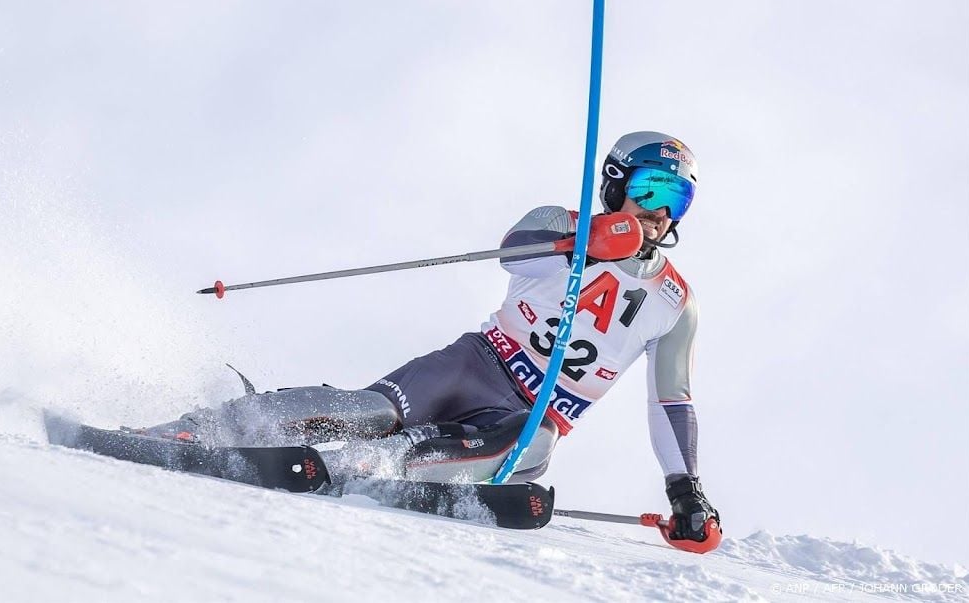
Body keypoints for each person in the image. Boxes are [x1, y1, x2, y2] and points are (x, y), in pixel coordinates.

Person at [141, 130, 720, 546]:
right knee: (368, 411)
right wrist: (591, 241)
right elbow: (512, 251)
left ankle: (365, 469)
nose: (659, 214)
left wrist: (684, 490)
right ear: (615, 185)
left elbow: (672, 401)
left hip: (532, 414)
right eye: (649, 192)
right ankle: (207, 425)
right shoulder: (563, 224)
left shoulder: (675, 303)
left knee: (532, 447)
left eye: (675, 201)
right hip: (475, 365)